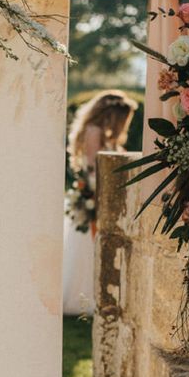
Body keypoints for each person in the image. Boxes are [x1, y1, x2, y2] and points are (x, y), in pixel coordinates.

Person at [62, 90, 138, 315]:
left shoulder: (102, 133)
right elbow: (95, 167)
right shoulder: (94, 131)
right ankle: (86, 296)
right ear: (112, 113)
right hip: (96, 194)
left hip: (100, 193)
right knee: (89, 247)